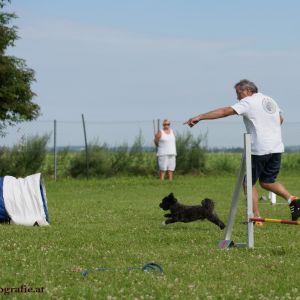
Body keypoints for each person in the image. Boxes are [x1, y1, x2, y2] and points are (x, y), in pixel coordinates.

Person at [184, 79, 300, 223]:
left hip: (260, 149)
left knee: (248, 184)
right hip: (276, 147)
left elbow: (225, 111)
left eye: (239, 93)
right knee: (267, 181)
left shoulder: (249, 102)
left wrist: (200, 117)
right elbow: (280, 119)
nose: (237, 98)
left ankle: (256, 218)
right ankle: (292, 199)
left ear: (249, 91)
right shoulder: (269, 100)